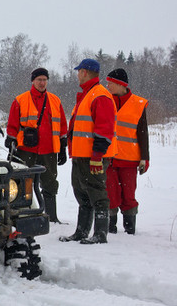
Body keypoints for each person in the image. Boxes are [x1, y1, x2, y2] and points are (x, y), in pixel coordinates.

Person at [59, 59, 117, 244]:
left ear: (84, 72)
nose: (77, 75)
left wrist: (97, 157)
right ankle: (82, 232)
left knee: (97, 193)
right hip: (80, 156)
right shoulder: (87, 95)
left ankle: (100, 234)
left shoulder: (100, 95)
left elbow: (104, 131)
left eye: (78, 72)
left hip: (93, 157)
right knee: (82, 194)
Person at [5, 68, 68, 223]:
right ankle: (21, 215)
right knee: (21, 183)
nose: (42, 83)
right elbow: (13, 124)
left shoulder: (55, 100)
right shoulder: (20, 100)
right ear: (32, 81)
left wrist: (63, 145)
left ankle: (51, 217)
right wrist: (11, 140)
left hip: (49, 150)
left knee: (50, 184)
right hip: (25, 150)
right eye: (39, 79)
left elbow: (62, 126)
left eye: (44, 80)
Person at [105, 68, 149, 235]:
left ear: (119, 84)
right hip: (108, 158)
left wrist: (145, 158)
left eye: (110, 83)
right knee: (110, 193)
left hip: (129, 159)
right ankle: (110, 227)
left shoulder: (138, 104)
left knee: (128, 195)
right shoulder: (105, 100)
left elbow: (143, 133)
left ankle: (130, 229)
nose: (107, 85)